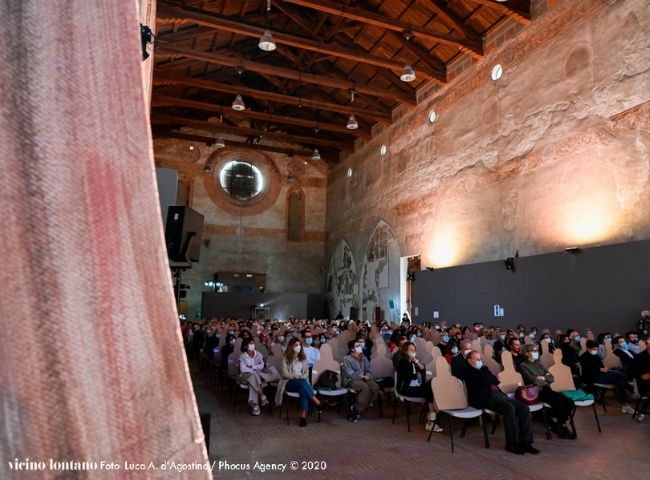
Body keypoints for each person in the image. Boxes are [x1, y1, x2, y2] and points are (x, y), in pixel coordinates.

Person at [464, 350, 539, 455]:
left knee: (524, 408)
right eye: (477, 359)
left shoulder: (484, 368)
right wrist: (487, 378)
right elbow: (484, 381)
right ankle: (512, 443)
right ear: (469, 361)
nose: (479, 361)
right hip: (483, 398)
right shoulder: (467, 371)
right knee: (509, 408)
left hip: (496, 394)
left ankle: (526, 443)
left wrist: (487, 379)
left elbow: (495, 380)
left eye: (480, 359)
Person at [519, 344, 576, 439]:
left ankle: (559, 422)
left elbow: (552, 378)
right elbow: (532, 380)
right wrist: (544, 378)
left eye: (536, 350)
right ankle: (562, 425)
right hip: (536, 391)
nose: (536, 352)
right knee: (559, 404)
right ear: (527, 353)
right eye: (533, 351)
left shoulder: (539, 363)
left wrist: (542, 378)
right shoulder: (523, 365)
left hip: (546, 388)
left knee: (569, 402)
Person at [274, 338, 323, 427]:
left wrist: (301, 377)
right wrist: (297, 377)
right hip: (289, 382)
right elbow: (285, 373)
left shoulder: (303, 358)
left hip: (302, 382)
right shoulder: (286, 358)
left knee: (303, 389)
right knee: (302, 382)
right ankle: (316, 401)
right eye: (296, 345)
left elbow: (306, 372)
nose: (299, 347)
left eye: (299, 345)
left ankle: (303, 418)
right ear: (291, 346)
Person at [395, 342, 442, 432]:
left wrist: (416, 361)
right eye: (411, 350)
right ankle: (431, 420)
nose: (413, 352)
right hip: (405, 388)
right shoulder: (402, 362)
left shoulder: (412, 361)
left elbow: (422, 368)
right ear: (405, 351)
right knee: (429, 390)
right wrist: (411, 363)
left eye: (414, 350)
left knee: (430, 387)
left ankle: (431, 420)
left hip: (414, 386)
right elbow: (408, 375)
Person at [580, 340, 634, 414]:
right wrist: (599, 369)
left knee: (619, 381)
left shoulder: (595, 356)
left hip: (602, 375)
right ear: (588, 348)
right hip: (593, 378)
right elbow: (587, 371)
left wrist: (604, 368)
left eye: (596, 349)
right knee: (617, 373)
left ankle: (625, 405)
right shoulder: (583, 357)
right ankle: (631, 389)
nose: (595, 351)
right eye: (594, 349)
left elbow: (601, 366)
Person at [238, 337, 278, 415]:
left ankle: (255, 406)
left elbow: (262, 365)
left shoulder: (258, 354)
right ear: (245, 346)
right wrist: (254, 368)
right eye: (250, 344)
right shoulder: (242, 356)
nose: (252, 345)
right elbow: (242, 369)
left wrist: (251, 367)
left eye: (253, 343)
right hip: (244, 376)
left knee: (252, 380)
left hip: (255, 377)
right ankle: (261, 394)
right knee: (253, 375)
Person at [343, 339, 381, 422]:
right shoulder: (347, 359)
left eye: (359, 345)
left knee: (375, 387)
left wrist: (367, 376)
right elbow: (349, 372)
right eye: (357, 346)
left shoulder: (364, 357)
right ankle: (356, 410)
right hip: (352, 380)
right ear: (352, 349)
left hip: (364, 378)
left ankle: (361, 405)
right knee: (365, 388)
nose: (359, 347)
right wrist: (359, 375)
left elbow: (369, 369)